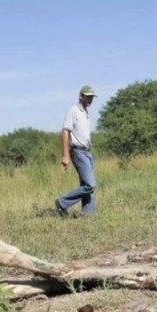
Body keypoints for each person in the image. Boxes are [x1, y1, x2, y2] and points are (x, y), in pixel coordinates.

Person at [55, 85, 97, 217]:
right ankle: (62, 202)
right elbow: (65, 132)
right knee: (90, 185)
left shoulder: (85, 112)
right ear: (81, 96)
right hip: (78, 151)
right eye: (87, 96)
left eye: (91, 97)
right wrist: (65, 156)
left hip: (87, 151)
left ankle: (88, 214)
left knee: (85, 184)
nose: (90, 99)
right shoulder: (74, 110)